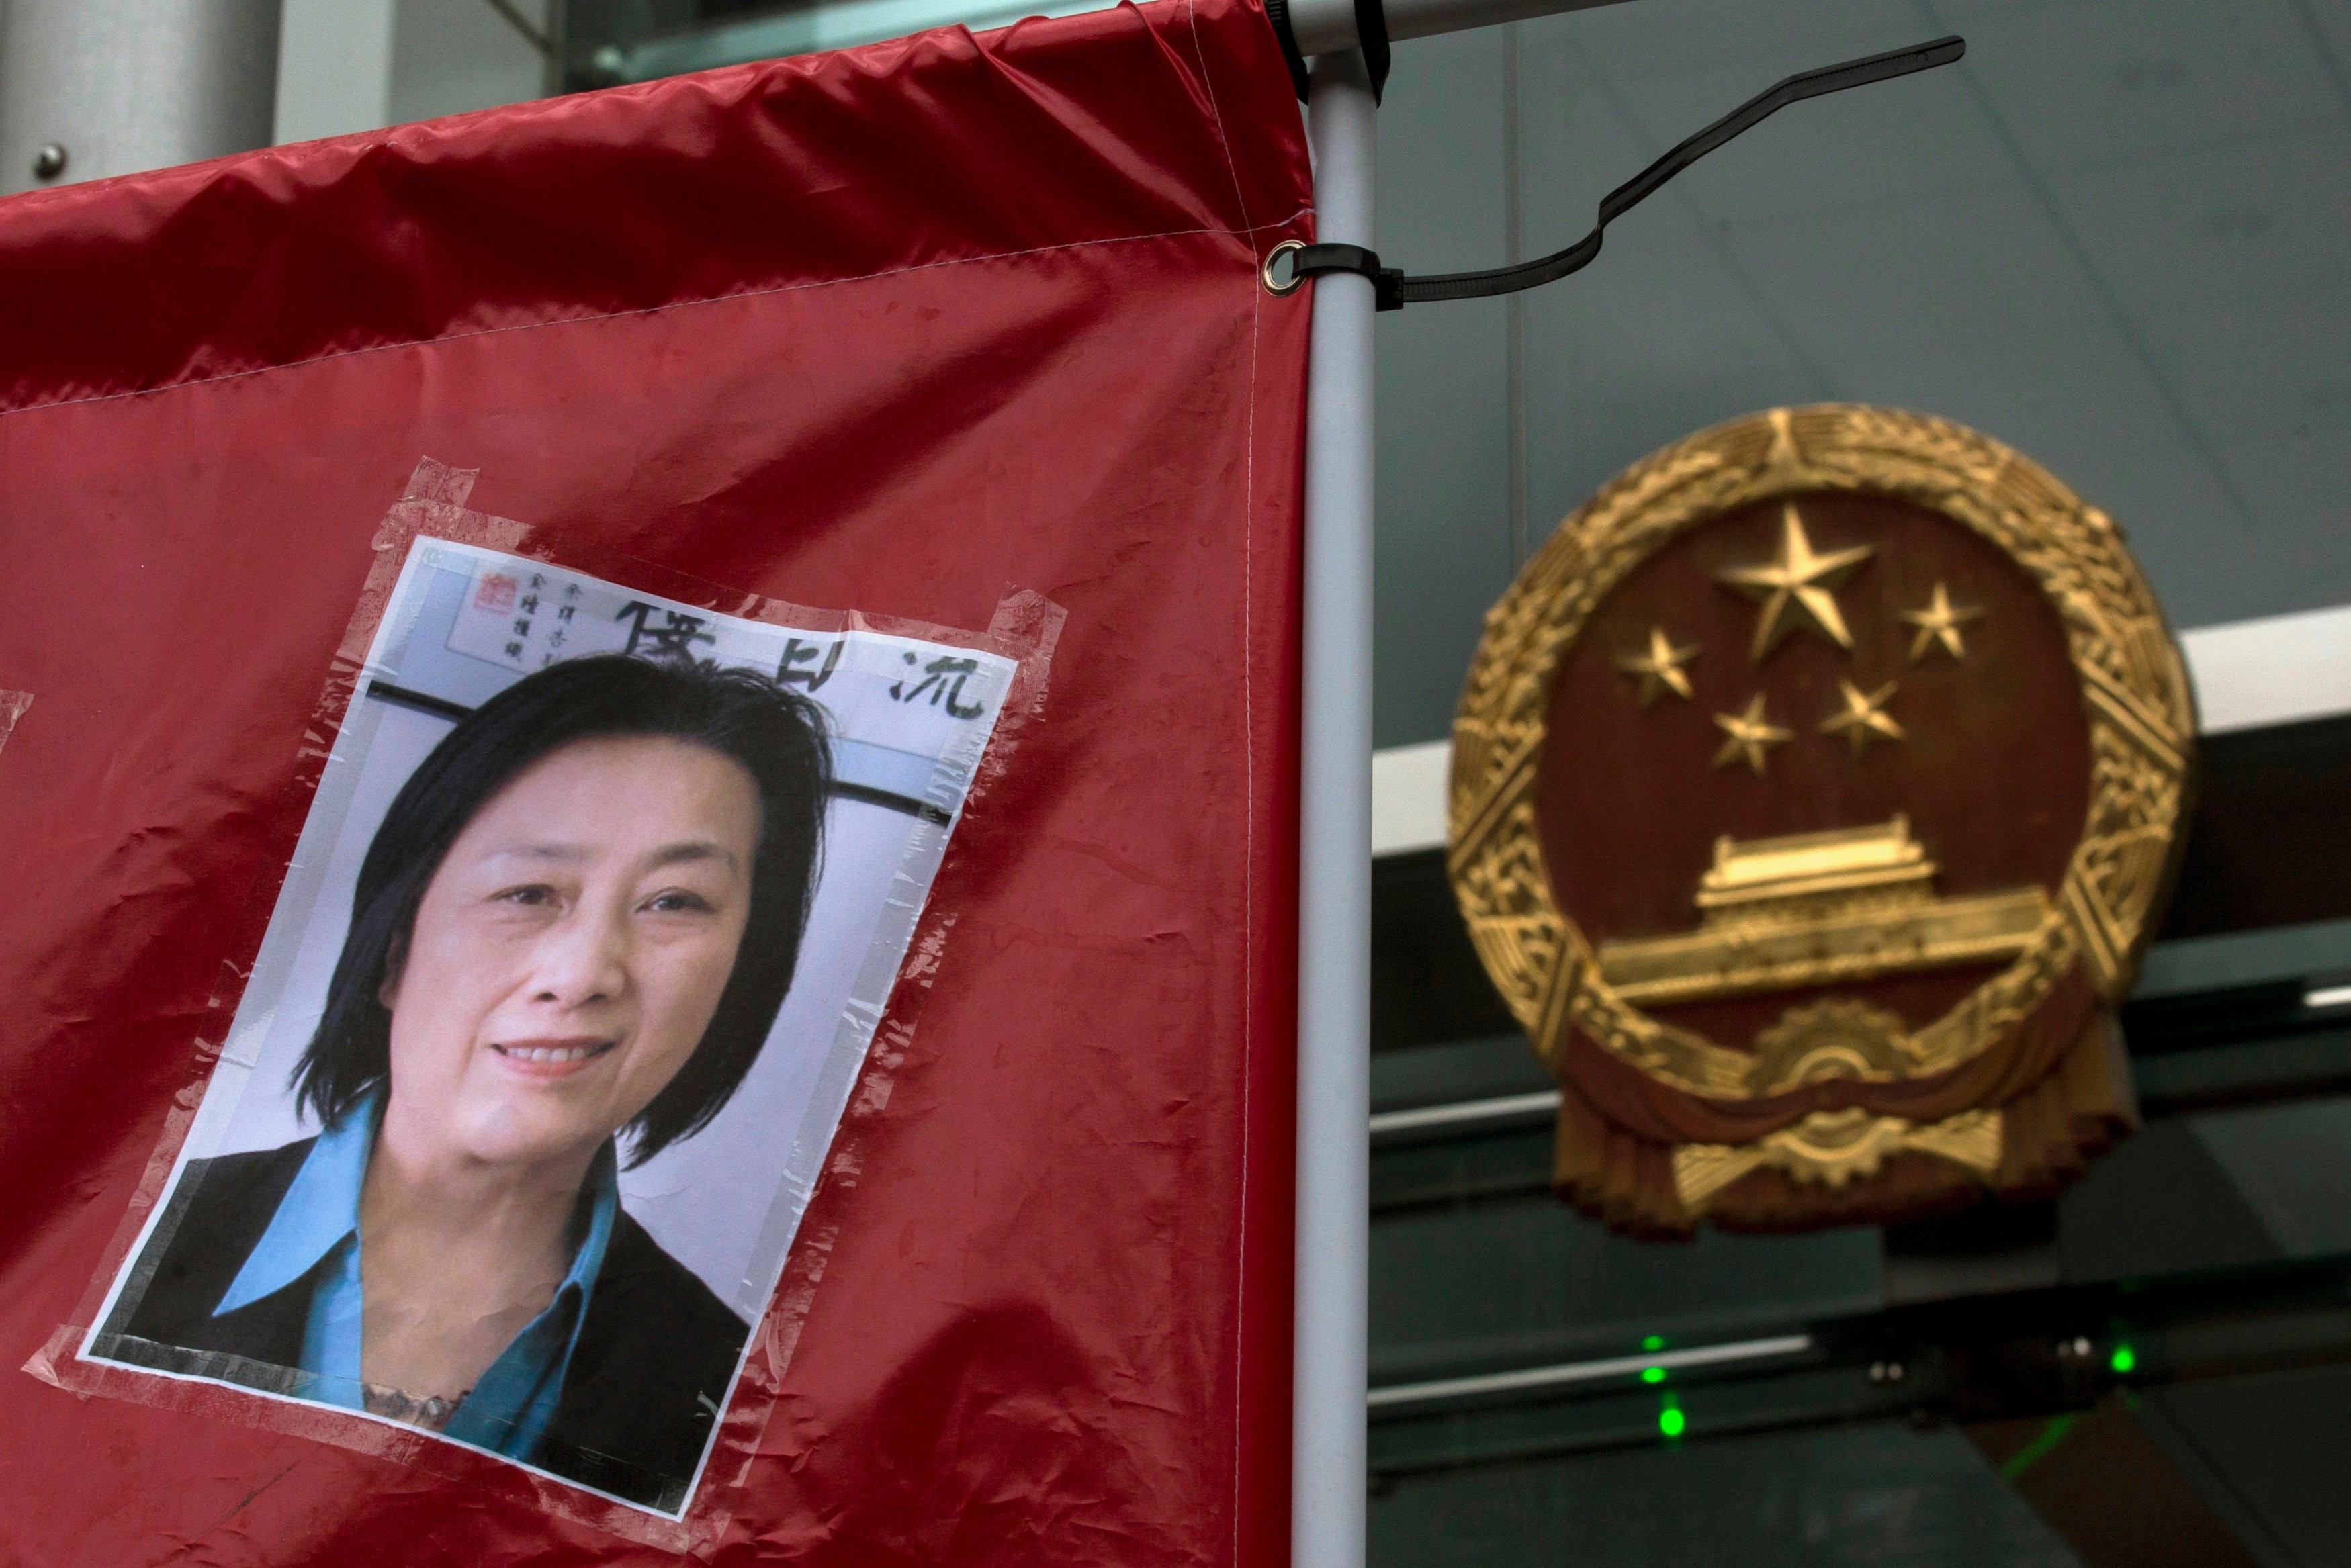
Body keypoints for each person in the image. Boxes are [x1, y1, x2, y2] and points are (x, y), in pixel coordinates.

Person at [97, 653, 830, 1512]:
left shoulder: (742, 1401)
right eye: (528, 891)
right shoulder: (114, 1239)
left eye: (674, 902)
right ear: (393, 947)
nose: (583, 972)